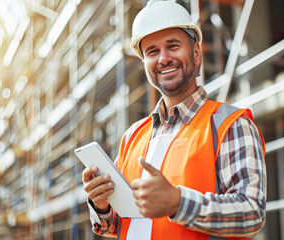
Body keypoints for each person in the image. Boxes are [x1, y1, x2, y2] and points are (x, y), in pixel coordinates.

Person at [82, 0, 266, 239]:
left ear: (197, 53)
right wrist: (101, 205)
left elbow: (251, 213)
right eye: (152, 52)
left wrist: (178, 203)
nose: (164, 59)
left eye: (173, 46)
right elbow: (122, 225)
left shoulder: (230, 124)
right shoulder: (132, 137)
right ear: (146, 64)